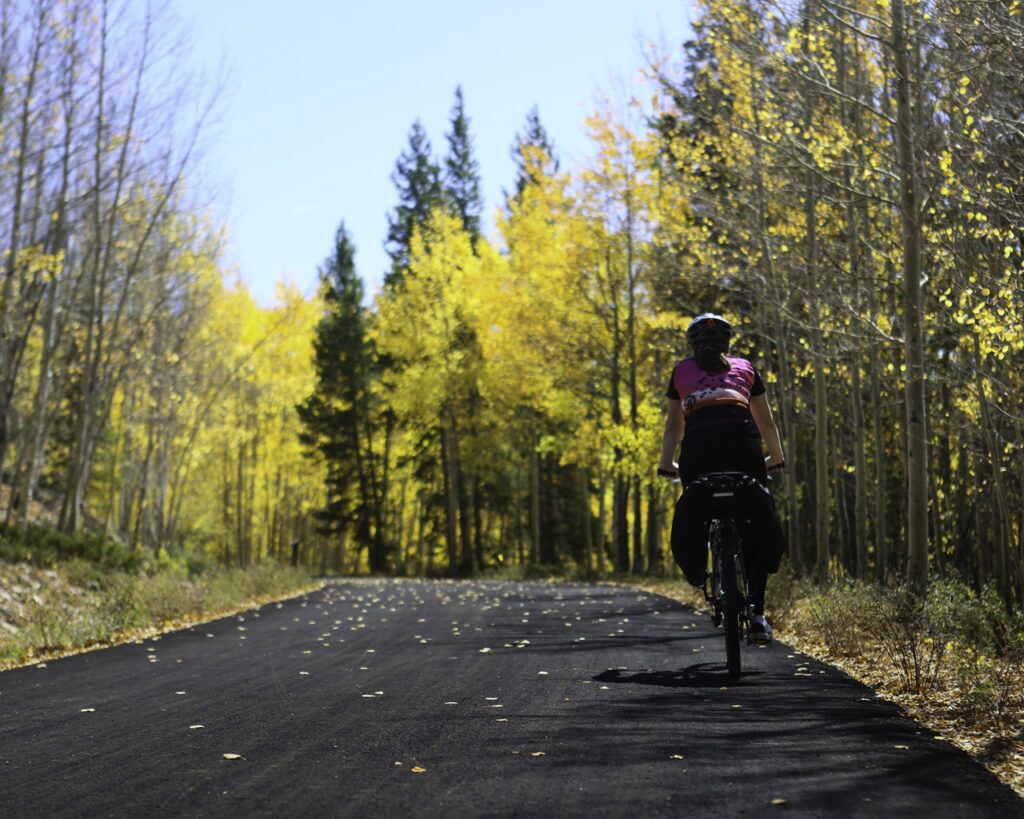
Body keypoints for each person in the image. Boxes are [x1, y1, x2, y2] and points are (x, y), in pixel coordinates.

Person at [658, 313, 785, 643]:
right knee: (753, 522)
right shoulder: (746, 367)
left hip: (698, 453)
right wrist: (776, 457)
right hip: (744, 450)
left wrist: (666, 463)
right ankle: (758, 615)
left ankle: (699, 569)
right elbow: (766, 422)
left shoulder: (681, 371)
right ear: (728, 343)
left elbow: (673, 427)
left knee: (697, 508)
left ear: (692, 345)